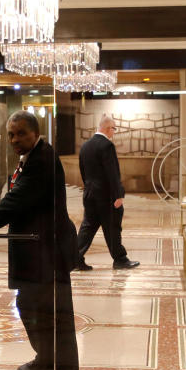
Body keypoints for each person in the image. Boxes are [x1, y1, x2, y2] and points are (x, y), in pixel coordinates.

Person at [0, 110, 80, 370]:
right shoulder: (34, 157)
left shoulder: (41, 160)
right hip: (38, 248)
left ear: (35, 133)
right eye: (11, 134)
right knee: (33, 304)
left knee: (46, 309)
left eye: (21, 133)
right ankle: (47, 359)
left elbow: (13, 202)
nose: (14, 139)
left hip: (46, 250)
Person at [74, 114, 140, 271]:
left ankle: (74, 259)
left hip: (90, 194)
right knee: (113, 228)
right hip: (106, 197)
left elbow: (83, 171)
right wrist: (118, 195)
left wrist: (90, 188)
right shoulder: (107, 146)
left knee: (87, 228)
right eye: (114, 129)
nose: (114, 132)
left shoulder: (85, 146)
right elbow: (112, 173)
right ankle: (120, 260)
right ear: (108, 128)